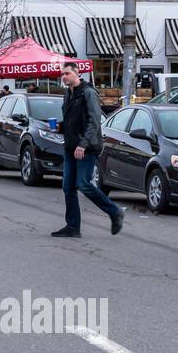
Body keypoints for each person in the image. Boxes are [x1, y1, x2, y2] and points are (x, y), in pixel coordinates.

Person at [55, 63, 124, 238]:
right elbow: (73, 119)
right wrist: (61, 127)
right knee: (68, 187)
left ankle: (114, 211)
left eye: (68, 73)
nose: (64, 76)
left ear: (77, 74)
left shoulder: (88, 93)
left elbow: (94, 121)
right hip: (71, 146)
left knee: (83, 183)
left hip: (87, 147)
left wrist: (83, 144)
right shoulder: (68, 94)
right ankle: (72, 227)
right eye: (62, 74)